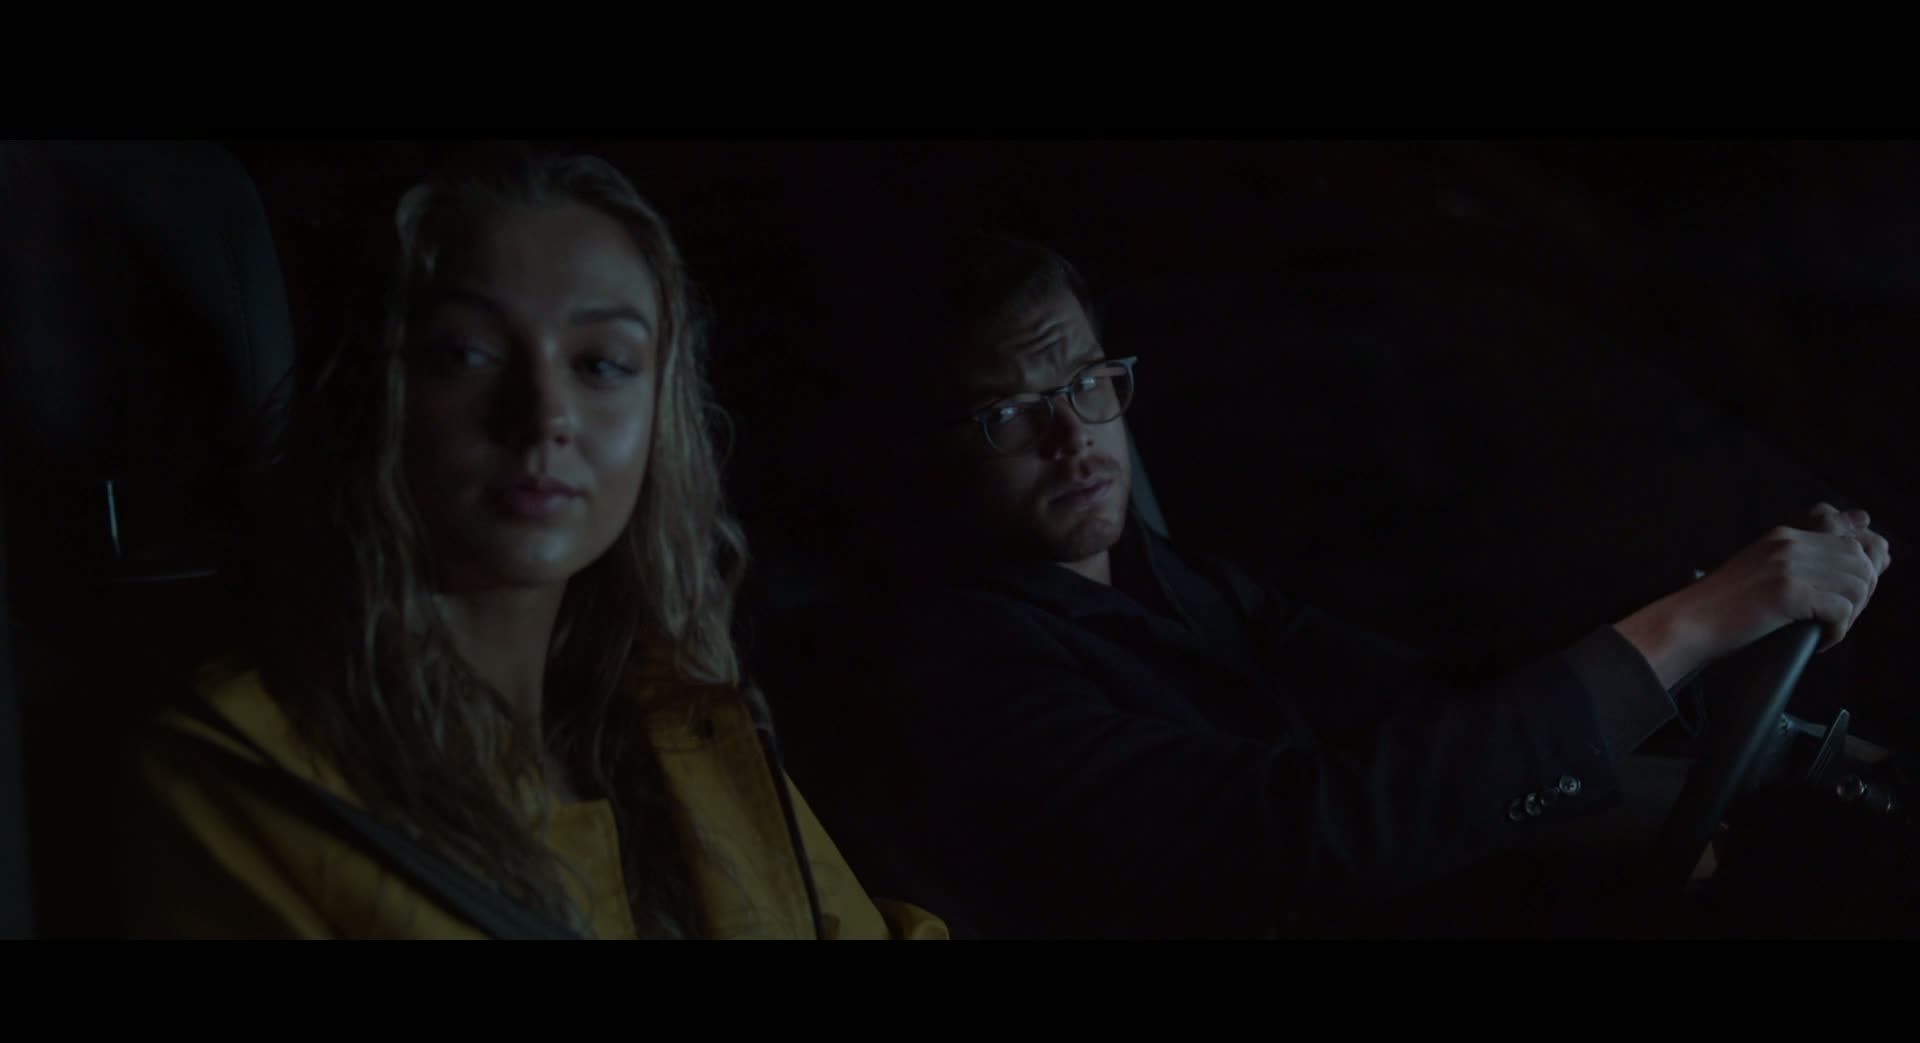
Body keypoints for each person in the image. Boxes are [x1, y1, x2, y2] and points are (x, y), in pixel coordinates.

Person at [769, 229, 1893, 938]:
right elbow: (1309, 837)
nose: (1075, 437)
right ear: (925, 455)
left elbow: (1421, 707)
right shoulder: (952, 669)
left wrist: (1712, 619)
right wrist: (1685, 629)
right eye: (1012, 412)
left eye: (1086, 380)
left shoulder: (1167, 580)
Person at [113, 150, 947, 939]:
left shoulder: (683, 718)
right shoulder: (246, 771)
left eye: (601, 364)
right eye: (466, 354)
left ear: (660, 418)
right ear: (376, 396)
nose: (544, 415)